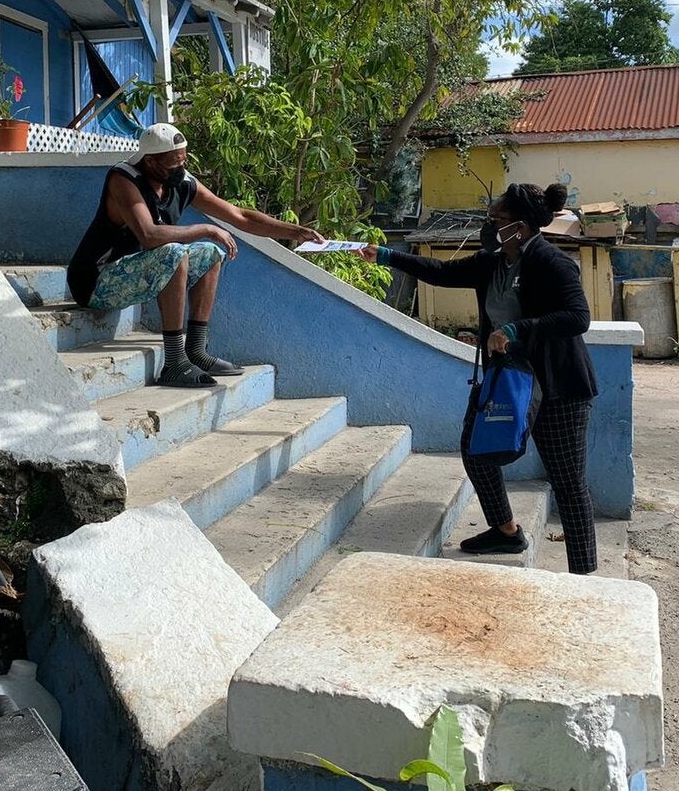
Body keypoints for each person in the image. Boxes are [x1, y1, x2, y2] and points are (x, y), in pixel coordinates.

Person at [358, 182, 600, 573]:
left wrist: (519, 330)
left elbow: (578, 318)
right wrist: (385, 255)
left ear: (519, 227)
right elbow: (440, 272)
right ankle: (505, 531)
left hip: (557, 388)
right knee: (477, 452)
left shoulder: (553, 263)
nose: (489, 226)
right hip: (507, 380)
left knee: (569, 483)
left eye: (497, 220)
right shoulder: (492, 262)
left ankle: (585, 575)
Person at [67, 123, 323, 387]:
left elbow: (239, 216)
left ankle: (196, 351)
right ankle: (175, 362)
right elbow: (149, 235)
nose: (181, 169)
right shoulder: (124, 179)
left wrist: (296, 232)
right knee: (173, 252)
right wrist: (207, 228)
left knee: (211, 253)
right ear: (151, 162)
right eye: (173, 165)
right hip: (96, 282)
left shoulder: (182, 183)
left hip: (133, 273)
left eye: (183, 161)